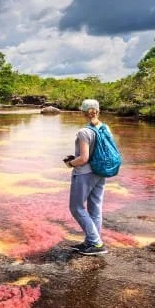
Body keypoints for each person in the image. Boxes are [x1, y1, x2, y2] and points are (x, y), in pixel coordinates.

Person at [64, 99, 108, 255]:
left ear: (82, 112)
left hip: (85, 173)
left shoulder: (84, 132)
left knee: (76, 207)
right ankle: (91, 241)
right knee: (95, 207)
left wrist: (71, 163)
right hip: (101, 171)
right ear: (98, 111)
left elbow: (83, 158)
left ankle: (96, 243)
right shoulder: (104, 128)